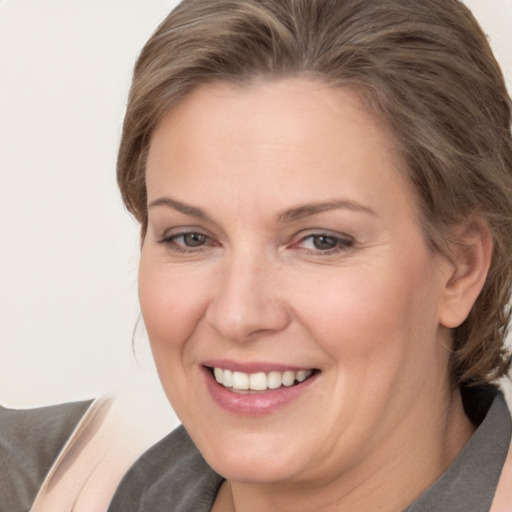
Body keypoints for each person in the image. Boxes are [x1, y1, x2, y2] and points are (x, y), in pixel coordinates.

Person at [1, 0, 512, 510]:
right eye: (191, 238)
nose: (237, 315)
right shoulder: (32, 485)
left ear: (460, 269)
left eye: (320, 241)